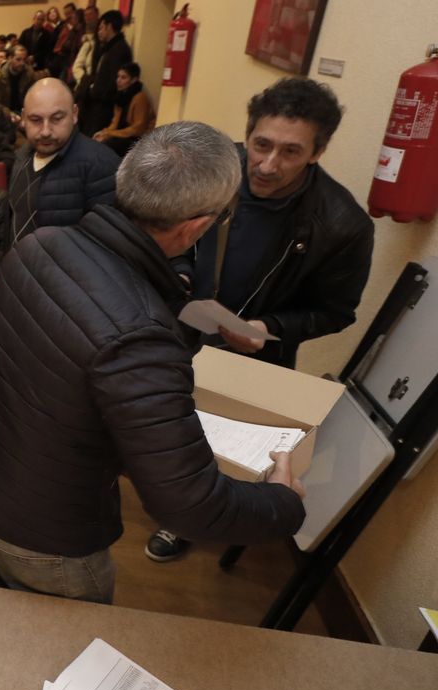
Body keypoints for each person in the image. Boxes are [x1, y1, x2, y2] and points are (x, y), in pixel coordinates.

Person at [0, 121, 308, 603]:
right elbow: (189, 505)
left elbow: (80, 355)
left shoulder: (38, 245)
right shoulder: (140, 336)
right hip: (45, 536)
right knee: (58, 658)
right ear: (197, 227)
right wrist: (283, 504)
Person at [145, 78, 375, 562]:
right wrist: (182, 275)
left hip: (253, 352)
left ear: (318, 151)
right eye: (261, 145)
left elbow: (335, 311)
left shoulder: (342, 223)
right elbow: (167, 231)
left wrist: (272, 329)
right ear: (246, 135)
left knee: (211, 438)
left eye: (291, 152)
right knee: (157, 415)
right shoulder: (212, 169)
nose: (269, 165)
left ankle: (182, 519)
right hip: (179, 324)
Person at [5, 79, 119, 246]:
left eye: (56, 119)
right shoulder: (21, 156)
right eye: (35, 120)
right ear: (23, 118)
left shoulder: (102, 164)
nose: (45, 131)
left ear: (74, 114)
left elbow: (107, 244)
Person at [79, 10, 132, 136]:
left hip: (105, 106)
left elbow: (113, 82)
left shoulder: (119, 49)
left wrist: (94, 90)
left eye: (102, 27)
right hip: (98, 102)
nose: (99, 32)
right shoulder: (110, 47)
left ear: (109, 26)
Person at [93, 62, 154, 157]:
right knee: (96, 141)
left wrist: (110, 133)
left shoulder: (140, 97)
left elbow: (137, 129)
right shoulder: (121, 96)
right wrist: (104, 133)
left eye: (123, 77)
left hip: (139, 139)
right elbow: (115, 123)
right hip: (123, 136)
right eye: (118, 77)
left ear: (134, 80)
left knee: (106, 147)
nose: (118, 80)